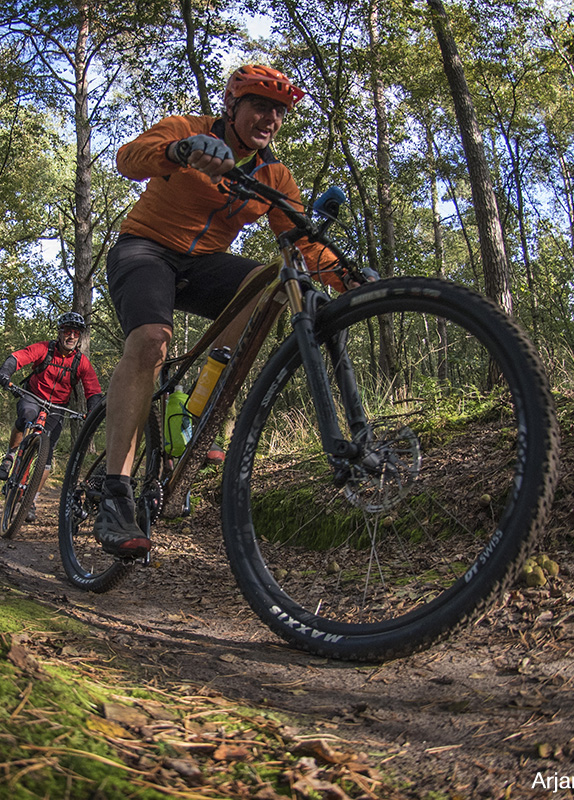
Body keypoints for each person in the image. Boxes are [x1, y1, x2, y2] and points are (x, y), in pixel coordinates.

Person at [96, 64, 351, 558]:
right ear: (232, 107)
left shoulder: (274, 176)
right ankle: (115, 494)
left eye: (279, 111)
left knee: (273, 281)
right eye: (260, 105)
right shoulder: (187, 128)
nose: (270, 118)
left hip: (204, 263)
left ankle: (201, 400)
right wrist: (179, 151)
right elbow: (129, 158)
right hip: (145, 248)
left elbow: (302, 243)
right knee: (150, 342)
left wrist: (350, 278)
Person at [0, 311, 103, 521]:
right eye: (68, 331)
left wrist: (93, 412)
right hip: (33, 396)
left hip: (57, 407)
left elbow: (93, 389)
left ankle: (31, 500)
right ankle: (11, 455)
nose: (71, 336)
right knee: (26, 415)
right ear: (60, 333)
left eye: (76, 333)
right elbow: (19, 357)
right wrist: (5, 373)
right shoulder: (44, 349)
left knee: (47, 454)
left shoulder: (81, 362)